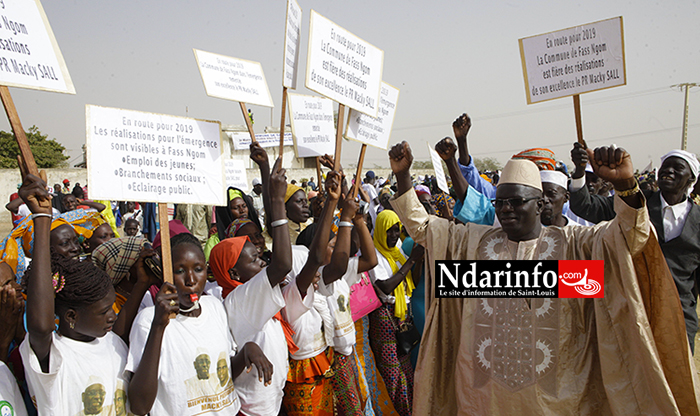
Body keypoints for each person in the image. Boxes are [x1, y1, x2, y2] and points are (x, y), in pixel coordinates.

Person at [387, 139, 699, 415]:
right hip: (484, 398)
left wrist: (626, 186)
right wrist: (402, 176)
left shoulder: (576, 245)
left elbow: (631, 235)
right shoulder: (475, 242)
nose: (507, 209)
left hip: (558, 399)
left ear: (540, 204)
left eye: (517, 201)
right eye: (501, 202)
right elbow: (424, 229)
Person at [17, 174, 130, 416]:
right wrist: (41, 218)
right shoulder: (55, 356)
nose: (112, 316)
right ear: (70, 315)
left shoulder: (114, 343)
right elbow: (40, 328)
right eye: (104, 311)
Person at [569, 143, 700, 350]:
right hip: (632, 309)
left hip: (679, 314)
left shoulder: (698, 220)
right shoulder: (634, 201)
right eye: (665, 166)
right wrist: (578, 171)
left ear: (691, 179)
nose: (669, 171)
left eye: (677, 168)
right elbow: (586, 206)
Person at [126, 232, 272, 415]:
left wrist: (246, 352)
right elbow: (139, 406)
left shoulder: (214, 307)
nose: (191, 280)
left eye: (198, 269)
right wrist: (158, 326)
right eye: (179, 271)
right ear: (165, 273)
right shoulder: (148, 320)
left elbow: (220, 377)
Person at [210, 156, 294, 416]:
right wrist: (278, 203)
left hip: (269, 401)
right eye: (254, 258)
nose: (261, 261)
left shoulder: (245, 294)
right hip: (254, 409)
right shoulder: (238, 299)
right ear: (233, 271)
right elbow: (282, 265)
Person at [314, 192, 379, 415]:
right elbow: (340, 264)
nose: (339, 249)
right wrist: (345, 218)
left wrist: (359, 220)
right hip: (333, 358)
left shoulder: (342, 276)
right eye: (332, 245)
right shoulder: (321, 276)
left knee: (359, 403)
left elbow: (371, 260)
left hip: (348, 353)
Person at [368, 209, 423, 416]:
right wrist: (411, 261)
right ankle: (397, 411)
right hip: (386, 316)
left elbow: (409, 281)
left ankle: (410, 409)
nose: (393, 235)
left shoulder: (397, 249)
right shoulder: (374, 255)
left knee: (405, 365)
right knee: (392, 371)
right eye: (389, 231)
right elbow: (385, 287)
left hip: (401, 314)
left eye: (396, 230)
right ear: (381, 231)